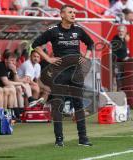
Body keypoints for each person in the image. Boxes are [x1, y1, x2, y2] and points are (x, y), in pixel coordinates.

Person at [32, 4, 94, 147]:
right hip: (59, 73)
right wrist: (47, 59)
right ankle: (59, 139)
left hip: (76, 72)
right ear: (62, 15)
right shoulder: (53, 31)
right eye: (70, 12)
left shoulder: (78, 30)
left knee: (78, 105)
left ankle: (83, 138)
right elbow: (35, 44)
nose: (73, 14)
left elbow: (90, 43)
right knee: (58, 105)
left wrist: (86, 57)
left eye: (74, 12)